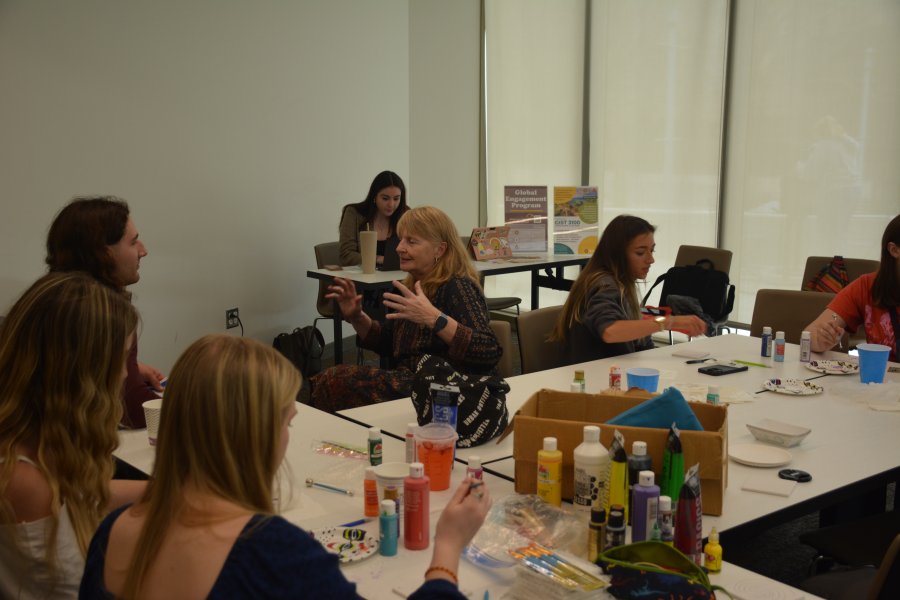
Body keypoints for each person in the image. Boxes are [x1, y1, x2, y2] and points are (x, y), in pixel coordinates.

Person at [80, 334, 491, 599]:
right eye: (286, 420)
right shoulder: (273, 555)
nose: (289, 433)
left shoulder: (112, 531)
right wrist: (447, 548)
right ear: (255, 434)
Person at [0, 272, 145, 599]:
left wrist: (165, 492)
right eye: (120, 360)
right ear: (83, 373)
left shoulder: (37, 438)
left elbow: (81, 494)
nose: (124, 374)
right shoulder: (22, 480)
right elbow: (72, 589)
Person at [312, 206, 501, 412]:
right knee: (331, 381)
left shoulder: (457, 286)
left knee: (334, 382)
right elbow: (388, 341)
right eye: (401, 239)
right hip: (415, 383)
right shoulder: (414, 284)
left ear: (440, 249)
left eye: (411, 241)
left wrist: (435, 319)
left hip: (450, 391)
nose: (400, 248)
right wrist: (357, 317)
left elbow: (488, 351)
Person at [45, 196, 164, 428]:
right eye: (133, 242)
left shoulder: (50, 299)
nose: (144, 251)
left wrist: (132, 366)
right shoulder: (102, 314)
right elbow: (132, 408)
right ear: (105, 253)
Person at [551, 215, 706, 364]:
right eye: (640, 252)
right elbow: (610, 331)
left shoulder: (622, 283)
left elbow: (641, 343)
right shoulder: (604, 285)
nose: (650, 259)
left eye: (652, 250)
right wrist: (669, 322)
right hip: (591, 378)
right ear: (617, 254)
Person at [806, 213, 900, 361]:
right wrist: (820, 337)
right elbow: (813, 332)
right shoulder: (867, 286)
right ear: (894, 250)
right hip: (882, 380)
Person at [339, 170, 409, 266]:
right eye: (385, 198)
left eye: (396, 199)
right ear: (374, 196)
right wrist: (378, 259)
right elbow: (346, 255)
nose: (391, 204)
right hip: (363, 276)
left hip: (397, 276)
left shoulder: (405, 215)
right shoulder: (354, 213)